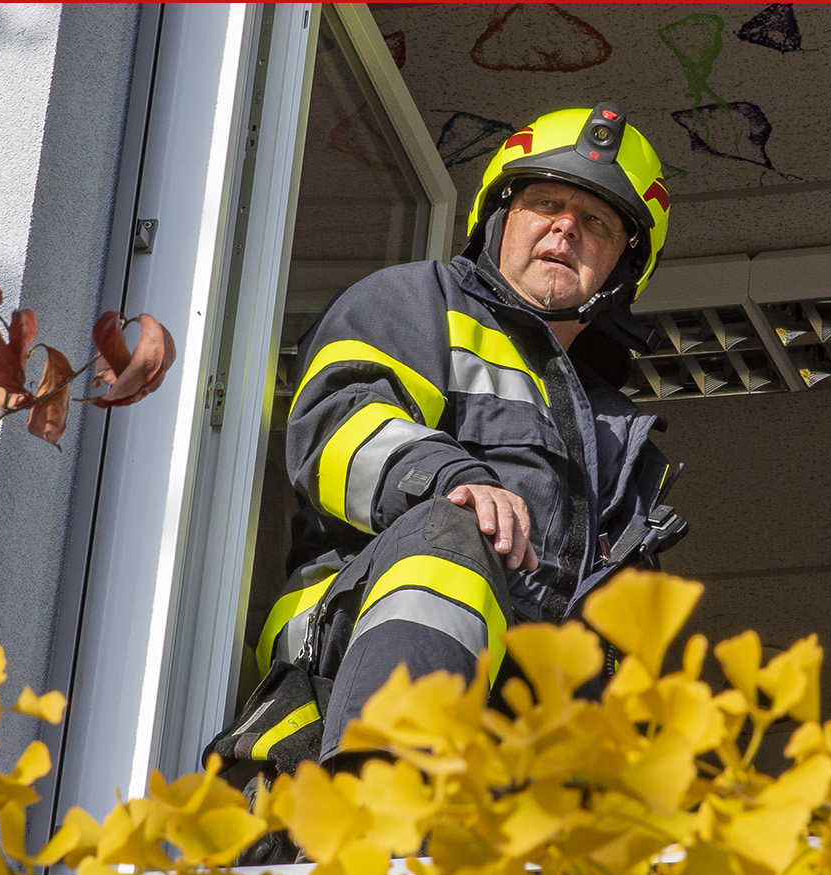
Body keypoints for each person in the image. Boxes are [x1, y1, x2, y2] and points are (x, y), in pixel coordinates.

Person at [249, 103, 685, 773]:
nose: (565, 228)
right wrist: (454, 480)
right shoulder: (414, 303)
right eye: (544, 203)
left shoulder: (611, 434)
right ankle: (385, 789)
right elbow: (337, 428)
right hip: (341, 672)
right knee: (454, 531)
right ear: (500, 218)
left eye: (595, 221)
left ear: (625, 266)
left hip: (503, 752)